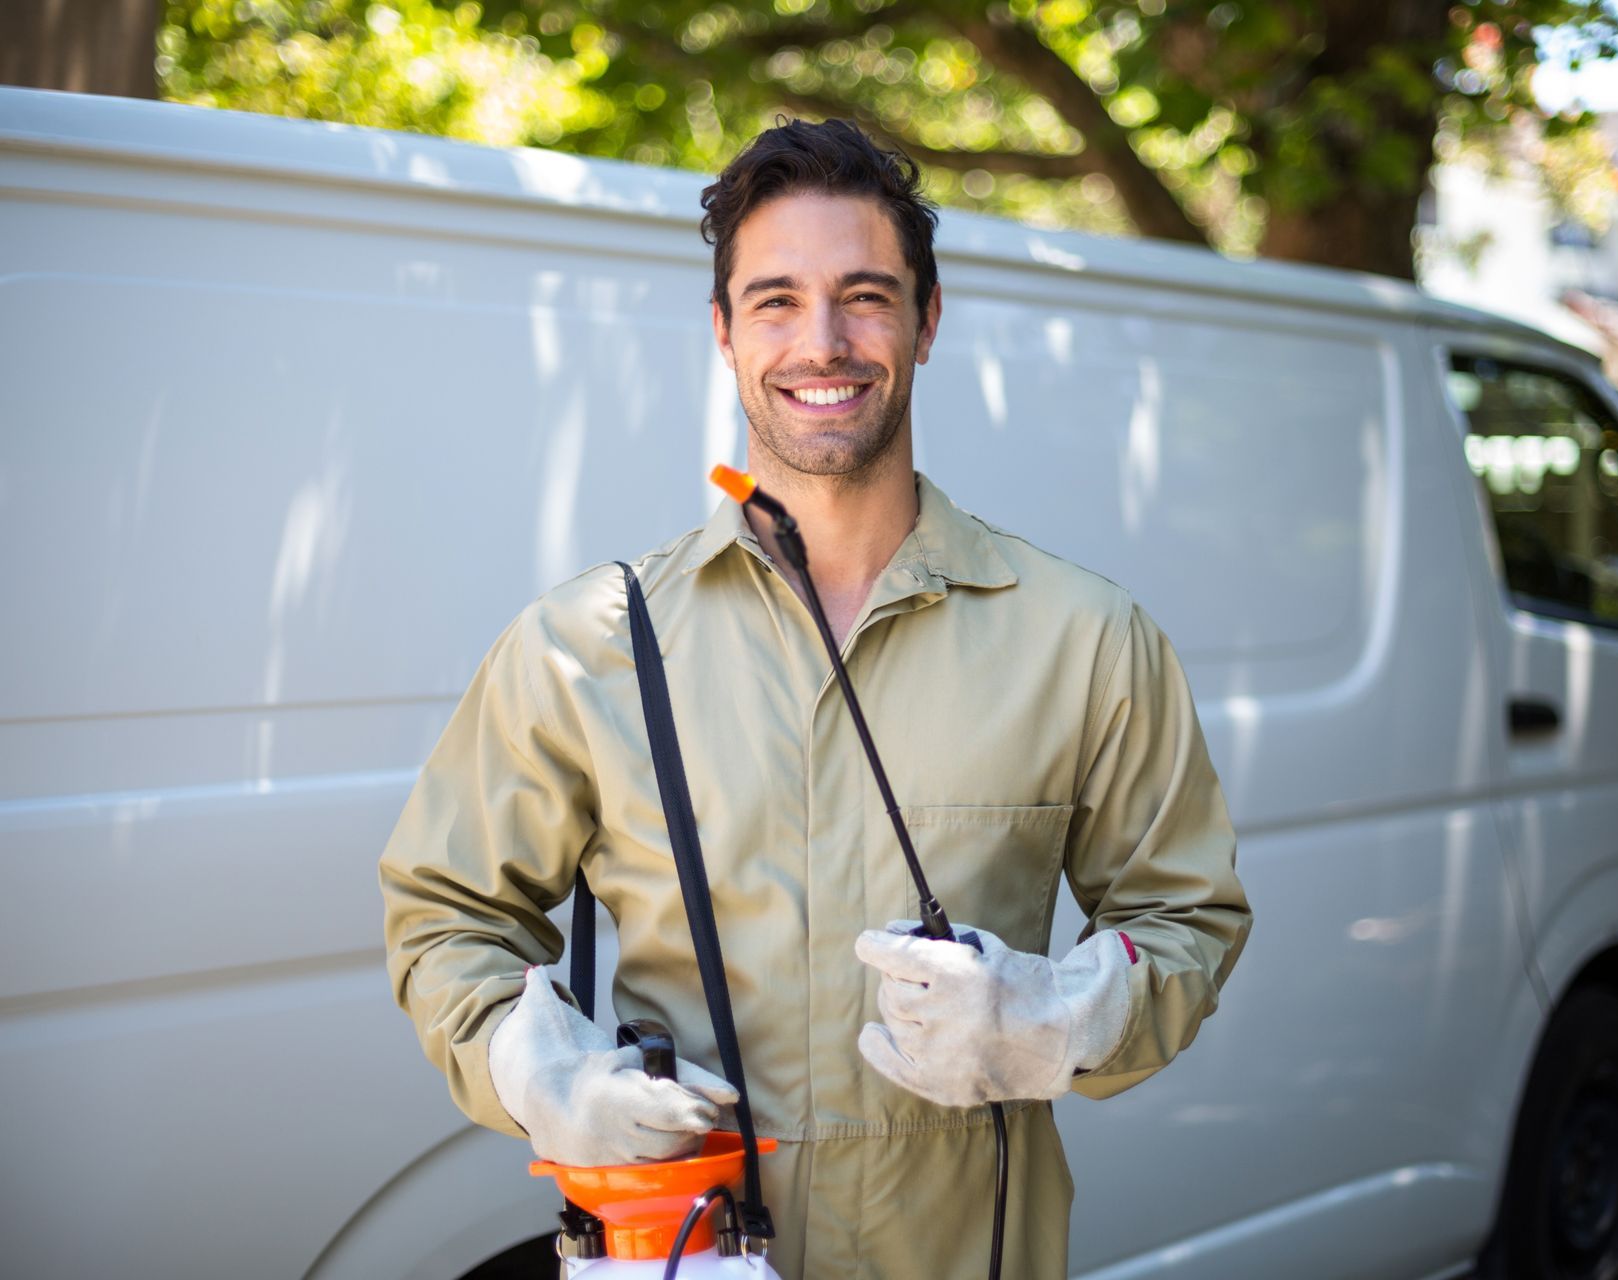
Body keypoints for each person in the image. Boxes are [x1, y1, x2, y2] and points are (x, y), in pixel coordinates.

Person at [379, 116, 1252, 1280]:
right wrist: (543, 1076)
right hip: (681, 1251)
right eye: (777, 299)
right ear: (724, 331)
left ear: (927, 321)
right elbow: (446, 917)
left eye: (866, 296)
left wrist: (1063, 1015)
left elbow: (1188, 919)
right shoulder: (583, 644)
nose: (824, 342)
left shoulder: (1087, 637)